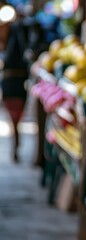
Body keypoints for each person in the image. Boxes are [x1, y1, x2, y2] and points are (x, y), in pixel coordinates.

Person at [0, 8, 31, 163]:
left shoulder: (20, 33)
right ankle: (16, 145)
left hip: (15, 84)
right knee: (14, 119)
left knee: (15, 119)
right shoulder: (11, 33)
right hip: (11, 84)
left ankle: (16, 145)